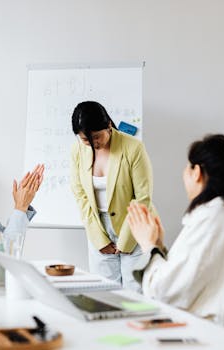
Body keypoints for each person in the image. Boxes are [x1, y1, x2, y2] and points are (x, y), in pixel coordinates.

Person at [128, 134, 224, 332]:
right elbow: (190, 280)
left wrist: (149, 246)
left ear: (196, 172)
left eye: (187, 167)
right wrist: (159, 246)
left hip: (207, 338)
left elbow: (163, 294)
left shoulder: (212, 222)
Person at [70, 101, 155, 291]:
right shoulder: (77, 150)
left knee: (135, 292)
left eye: (97, 137)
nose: (94, 144)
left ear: (109, 125)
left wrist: (125, 240)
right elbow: (80, 193)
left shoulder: (133, 147)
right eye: (86, 140)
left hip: (133, 224)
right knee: (104, 291)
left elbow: (143, 197)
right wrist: (99, 238)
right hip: (98, 226)